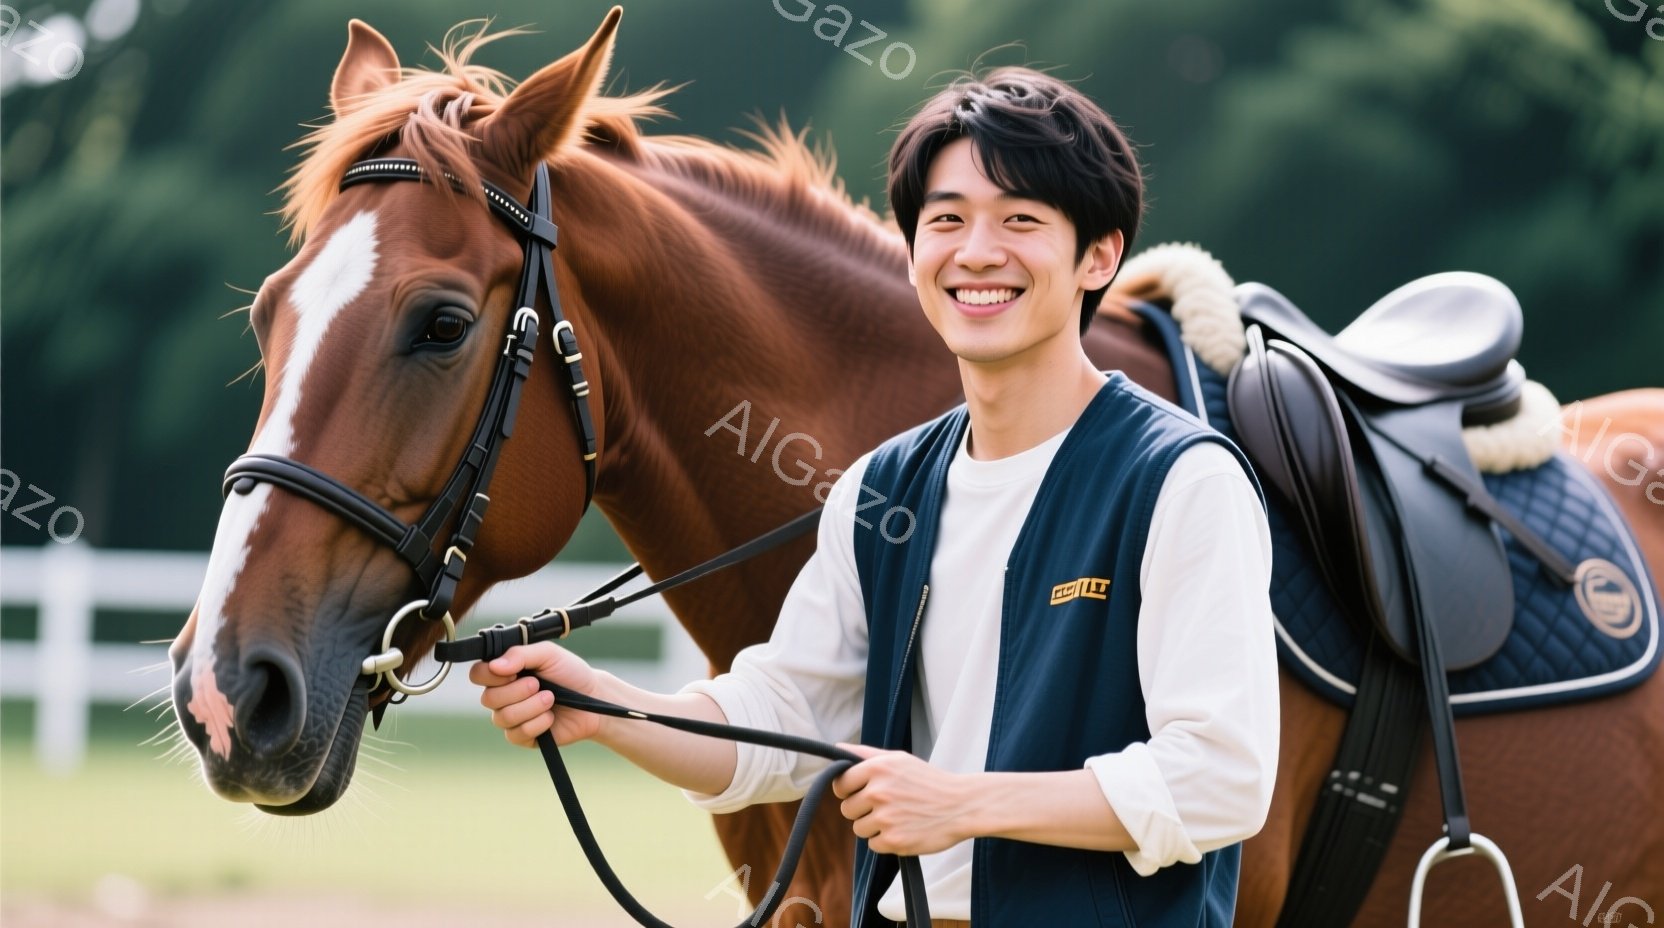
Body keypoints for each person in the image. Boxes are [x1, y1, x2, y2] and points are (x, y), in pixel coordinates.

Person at [473, 68, 1279, 927]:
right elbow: (781, 716)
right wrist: (607, 708)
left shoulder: (1181, 478)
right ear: (913, 250)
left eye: (1020, 221)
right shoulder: (883, 487)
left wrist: (963, 804)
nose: (975, 251)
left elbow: (1219, 782)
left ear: (1099, 256)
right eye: (946, 220)